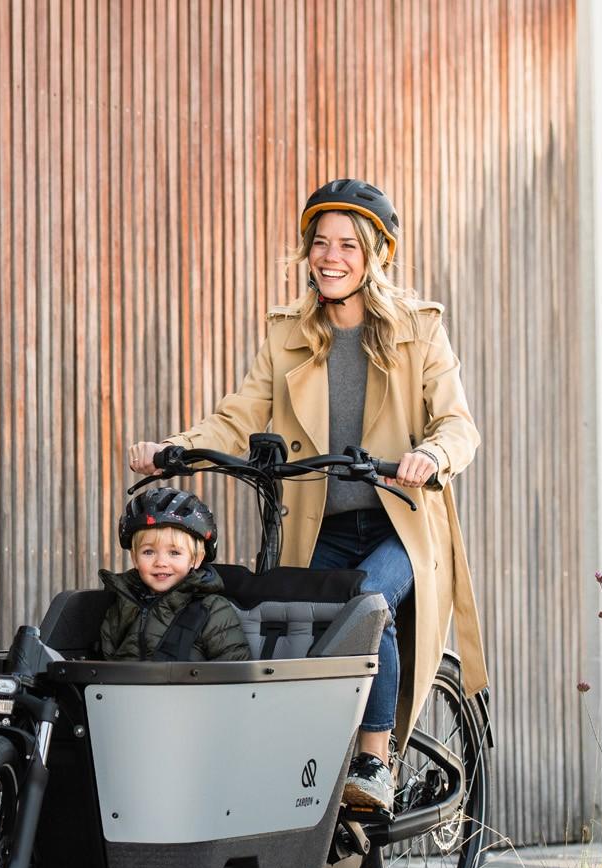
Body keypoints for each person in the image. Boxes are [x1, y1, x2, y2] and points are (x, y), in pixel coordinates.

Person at [126, 178, 488, 813]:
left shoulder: (419, 329)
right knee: (283, 633)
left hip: (396, 525)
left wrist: (431, 454)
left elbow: (458, 424)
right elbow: (239, 413)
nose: (331, 256)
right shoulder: (289, 331)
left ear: (377, 255)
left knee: (364, 604)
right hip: (316, 526)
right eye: (320, 243)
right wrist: (176, 448)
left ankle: (375, 760)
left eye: (348, 244)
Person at [98, 487, 252, 663]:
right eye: (148, 552)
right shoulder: (121, 606)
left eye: (174, 553)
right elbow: (107, 668)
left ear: (196, 558)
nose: (161, 562)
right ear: (134, 557)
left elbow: (234, 673)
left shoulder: (211, 610)